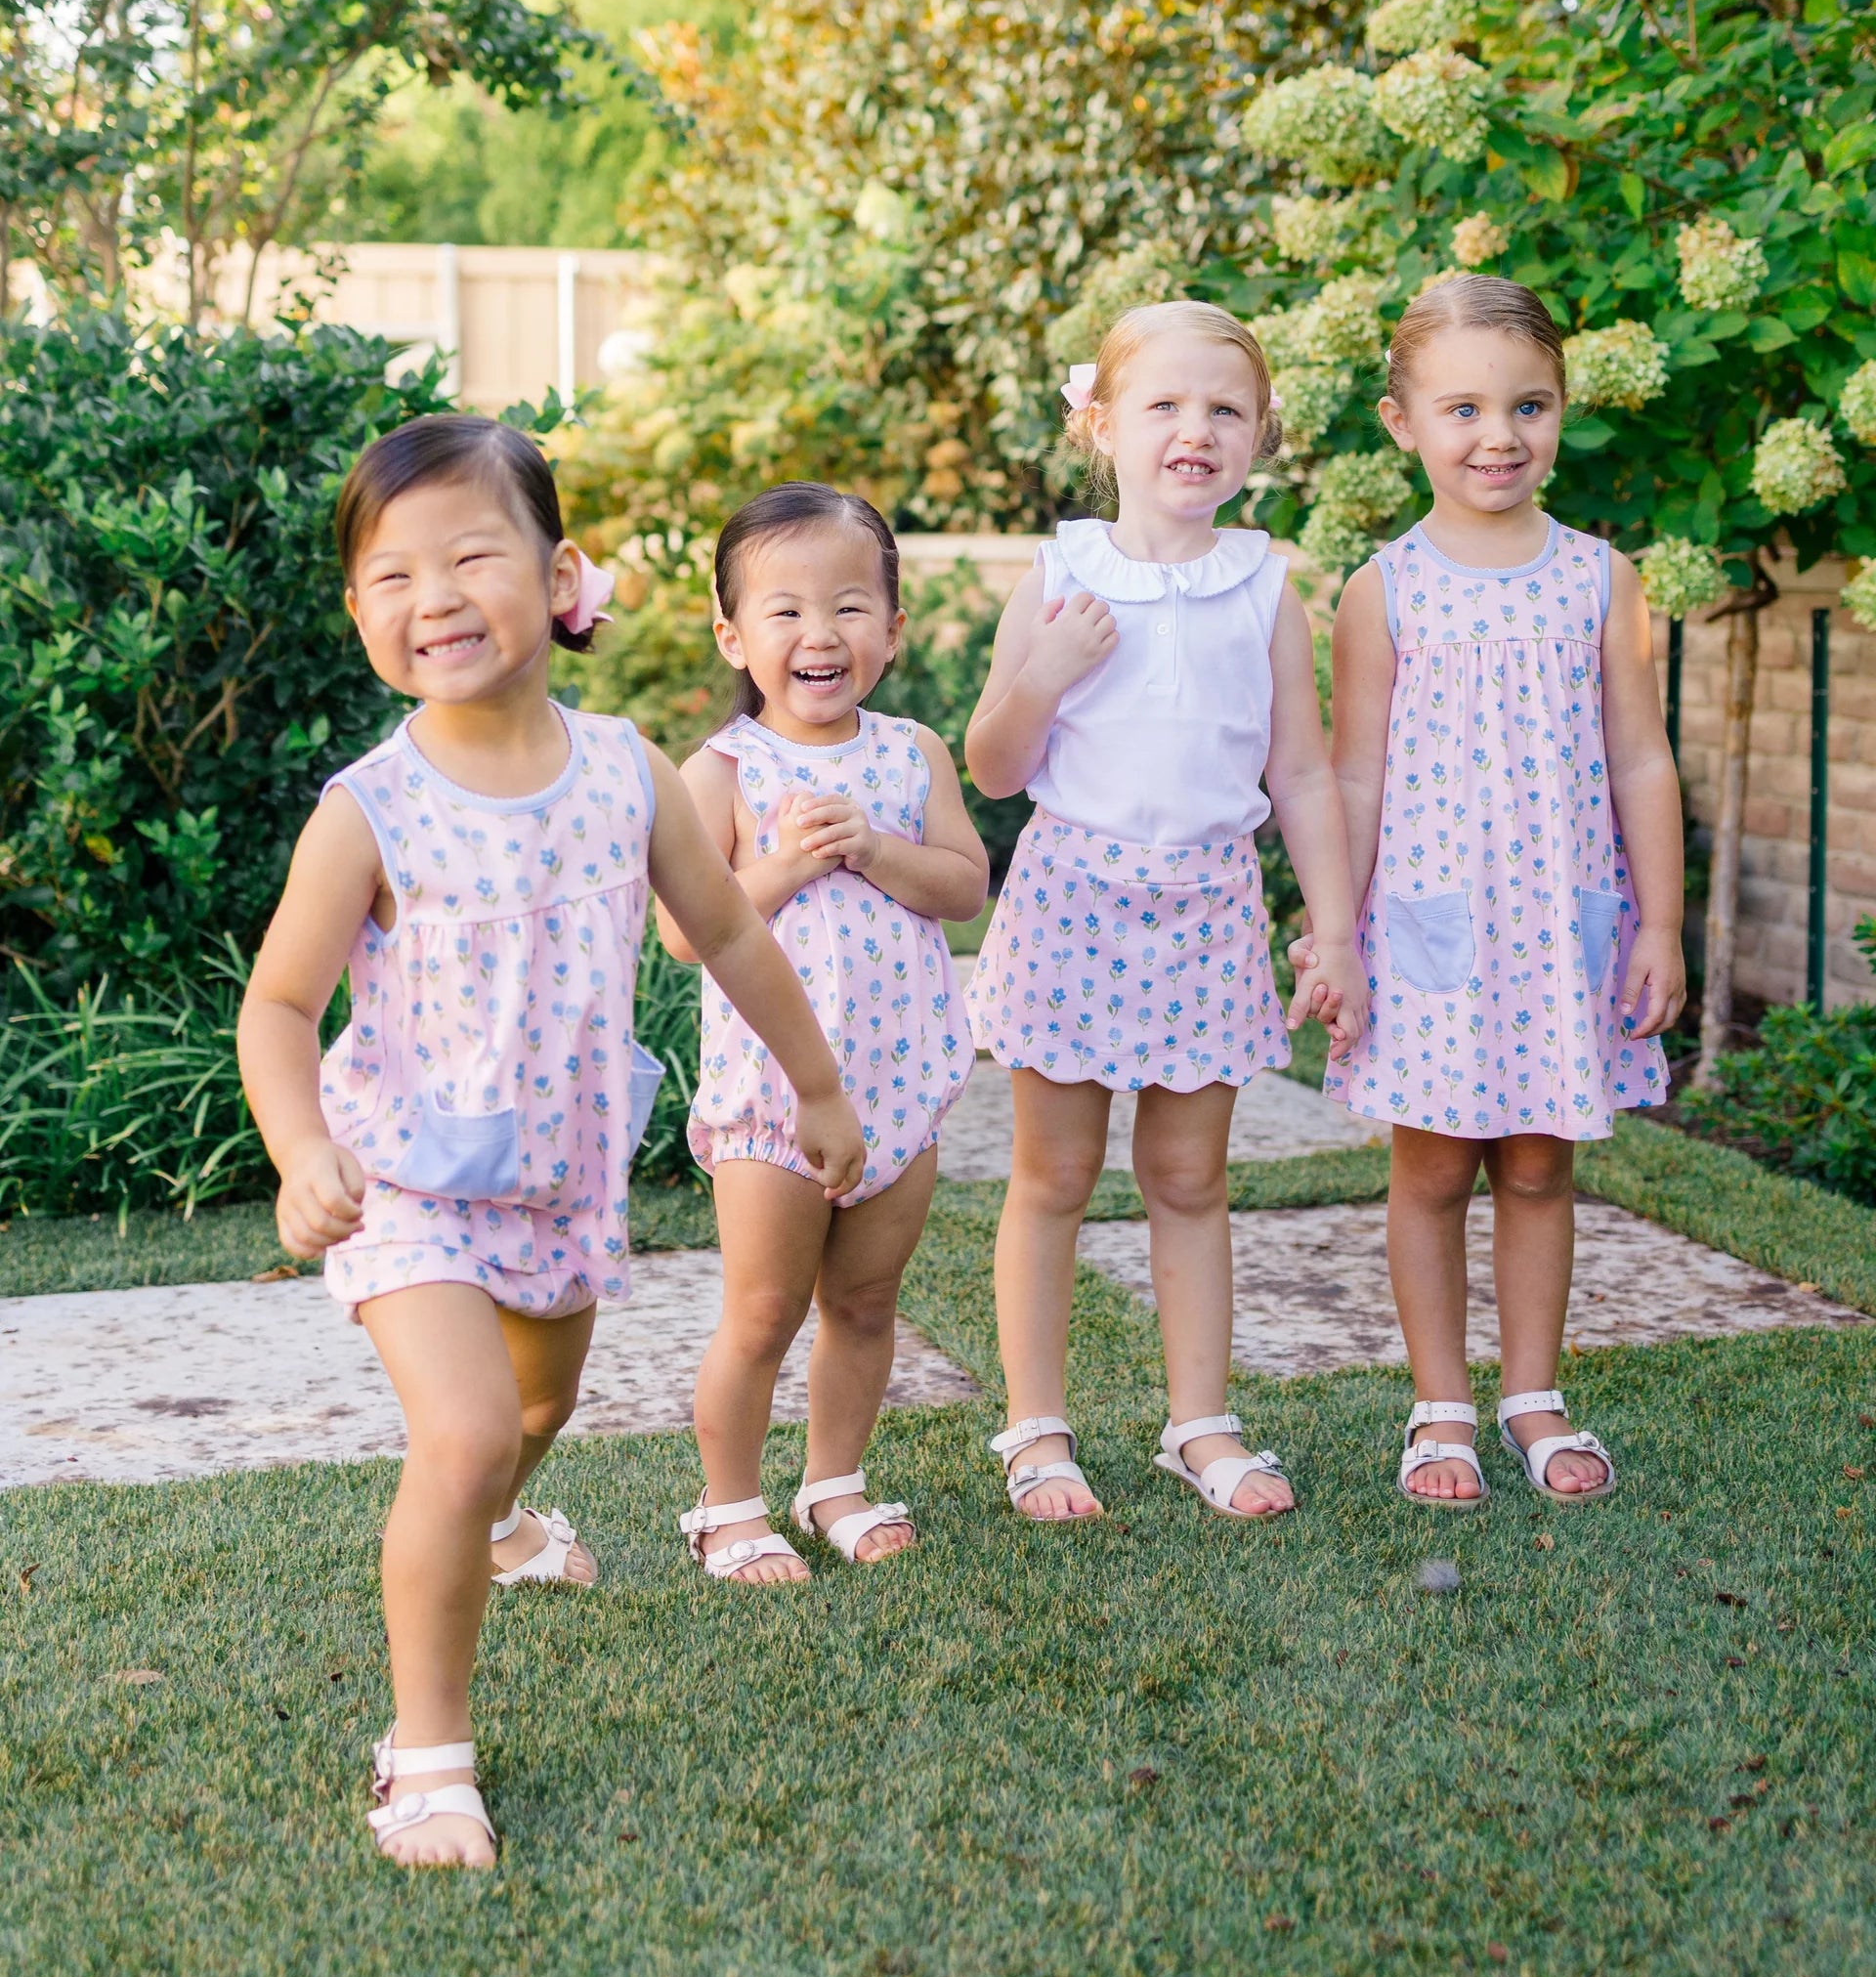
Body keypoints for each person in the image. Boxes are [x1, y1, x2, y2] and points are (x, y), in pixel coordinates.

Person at [238, 416, 865, 1869]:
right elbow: (279, 1004)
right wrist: (297, 1148)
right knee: (459, 1439)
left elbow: (729, 934)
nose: (434, 596)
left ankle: (509, 1528)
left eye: (471, 556)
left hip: (557, 1184)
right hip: (403, 1181)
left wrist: (820, 1089)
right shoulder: (369, 812)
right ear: (359, 616)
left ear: (560, 571)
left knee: (527, 1422)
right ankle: (427, 1753)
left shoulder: (626, 771)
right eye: (391, 575)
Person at [964, 301, 1365, 1527]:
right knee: (1053, 1175)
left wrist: (1336, 928)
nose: (1197, 431)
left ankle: (1200, 1423)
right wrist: (1049, 669)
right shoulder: (1064, 571)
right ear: (1102, 426)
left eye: (1226, 411)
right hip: (1074, 897)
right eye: (1165, 407)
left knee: (1190, 1180)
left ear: (1260, 438)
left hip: (1207, 906)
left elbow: (1299, 772)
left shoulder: (1263, 589)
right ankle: (1037, 1431)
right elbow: (988, 764)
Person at [1324, 274, 1684, 1509]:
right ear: (1401, 422)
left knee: (1538, 1167)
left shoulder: (1601, 581)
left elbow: (1642, 756)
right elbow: (1355, 779)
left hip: (1562, 930)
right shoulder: (1381, 590)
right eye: (1464, 407)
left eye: (1529, 405)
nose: (1499, 436)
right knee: (1430, 1171)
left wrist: (1664, 924)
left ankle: (1533, 1393)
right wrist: (1339, 934)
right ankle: (1441, 1405)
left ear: (1563, 410)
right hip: (1431, 930)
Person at [657, 484, 989, 1584]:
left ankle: (834, 1480)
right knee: (761, 1311)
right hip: (773, 1100)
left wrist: (874, 849)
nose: (819, 634)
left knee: (864, 1302)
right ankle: (729, 1506)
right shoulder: (722, 772)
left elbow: (963, 889)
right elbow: (683, 933)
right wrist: (792, 863)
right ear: (734, 635)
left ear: (892, 630)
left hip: (900, 1088)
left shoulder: (912, 755)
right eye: (785, 610)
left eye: (850, 607)